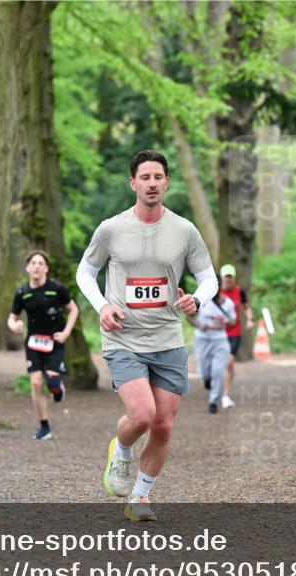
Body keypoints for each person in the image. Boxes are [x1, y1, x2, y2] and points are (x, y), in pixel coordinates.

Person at [76, 149, 218, 522]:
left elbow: (208, 278)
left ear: (166, 182)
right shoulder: (111, 228)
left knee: (163, 424)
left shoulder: (184, 230)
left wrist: (197, 301)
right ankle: (121, 451)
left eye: (158, 177)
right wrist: (103, 307)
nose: (152, 183)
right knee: (141, 415)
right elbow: (85, 272)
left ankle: (139, 498)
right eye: (145, 177)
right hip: (124, 337)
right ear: (133, 183)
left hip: (168, 338)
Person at [7, 250, 79, 440]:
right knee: (36, 383)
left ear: (46, 268)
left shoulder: (57, 289)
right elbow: (12, 318)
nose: (37, 266)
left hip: (54, 341)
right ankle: (44, 426)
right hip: (33, 342)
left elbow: (73, 310)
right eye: (33, 263)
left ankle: (57, 388)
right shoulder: (22, 293)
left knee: (53, 381)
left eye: (40, 263)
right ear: (28, 268)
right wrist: (15, 325)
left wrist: (66, 333)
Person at [188, 291, 237, 413]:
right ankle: (207, 379)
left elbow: (233, 321)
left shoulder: (228, 303)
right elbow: (189, 317)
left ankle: (213, 401)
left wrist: (224, 321)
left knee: (218, 371)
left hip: (220, 340)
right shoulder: (200, 300)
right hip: (202, 339)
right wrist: (199, 325)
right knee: (204, 372)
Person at [218, 264, 253, 408]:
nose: (228, 280)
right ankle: (214, 385)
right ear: (221, 277)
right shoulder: (214, 291)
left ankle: (225, 396)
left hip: (234, 333)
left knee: (229, 363)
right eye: (226, 277)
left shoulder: (240, 291)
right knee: (218, 365)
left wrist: (250, 319)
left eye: (230, 277)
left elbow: (246, 307)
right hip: (216, 333)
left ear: (234, 277)